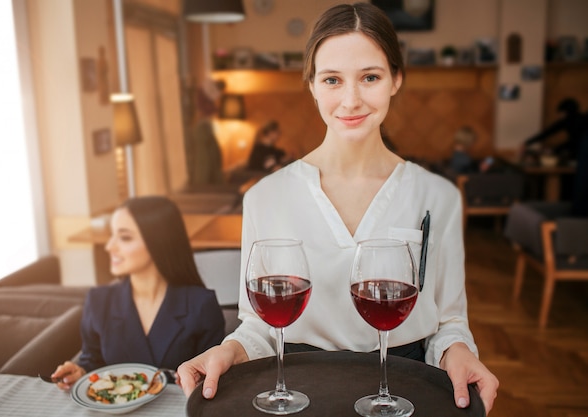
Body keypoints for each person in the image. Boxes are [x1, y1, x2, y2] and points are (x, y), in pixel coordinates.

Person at [176, 3, 498, 414]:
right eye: (332, 79)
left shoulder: (439, 197)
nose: (351, 100)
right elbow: (258, 325)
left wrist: (459, 352)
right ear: (311, 84)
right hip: (296, 390)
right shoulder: (265, 196)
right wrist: (229, 351)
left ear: (396, 79)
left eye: (370, 77)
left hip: (404, 389)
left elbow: (448, 322)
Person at [52, 196, 225, 390]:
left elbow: (212, 379)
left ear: (158, 241)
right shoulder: (98, 301)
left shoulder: (201, 305)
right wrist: (81, 371)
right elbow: (93, 361)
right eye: (112, 235)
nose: (109, 247)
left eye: (124, 238)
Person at [186, 80, 225, 186]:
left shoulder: (204, 129)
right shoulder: (201, 131)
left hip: (211, 184)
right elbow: (203, 163)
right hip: (207, 185)